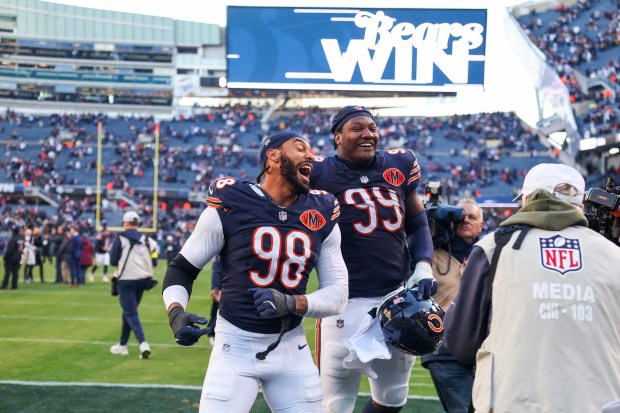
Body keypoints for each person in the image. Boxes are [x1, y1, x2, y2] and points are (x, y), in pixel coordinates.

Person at [162, 130, 348, 413]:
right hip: (234, 346)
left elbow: (338, 294)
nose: (311, 155)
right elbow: (183, 268)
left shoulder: (321, 209)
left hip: (292, 348)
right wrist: (175, 311)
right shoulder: (233, 200)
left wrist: (292, 302)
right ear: (272, 156)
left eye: (311, 151)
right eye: (300, 148)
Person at [444, 163, 620, 412]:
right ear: (580, 205)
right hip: (600, 403)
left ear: (527, 199)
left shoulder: (494, 248)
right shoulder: (613, 254)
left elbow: (460, 344)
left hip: (512, 402)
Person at [310, 105, 437, 413]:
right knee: (335, 404)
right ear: (338, 137)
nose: (368, 134)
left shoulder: (399, 165)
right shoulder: (317, 172)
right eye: (357, 128)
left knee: (393, 398)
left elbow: (418, 223)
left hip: (394, 302)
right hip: (343, 301)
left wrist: (422, 265)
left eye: (372, 128)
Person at [420, 199, 484, 413]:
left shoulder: (487, 255)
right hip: (444, 350)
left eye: (472, 217)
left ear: (481, 226)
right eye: (460, 215)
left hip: (481, 349)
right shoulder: (430, 254)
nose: (466, 220)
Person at [109, 210, 158, 359]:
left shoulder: (120, 238)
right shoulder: (148, 240)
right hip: (143, 280)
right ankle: (122, 345)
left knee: (130, 312)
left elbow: (112, 261)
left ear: (125, 223)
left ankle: (143, 344)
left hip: (126, 280)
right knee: (129, 311)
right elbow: (155, 260)